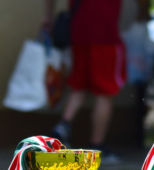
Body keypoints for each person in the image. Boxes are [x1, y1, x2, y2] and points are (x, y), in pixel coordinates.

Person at [42, 0, 126, 161]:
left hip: (79, 33)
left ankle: (62, 128)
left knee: (79, 87)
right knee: (105, 92)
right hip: (105, 35)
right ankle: (97, 145)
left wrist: (48, 15)